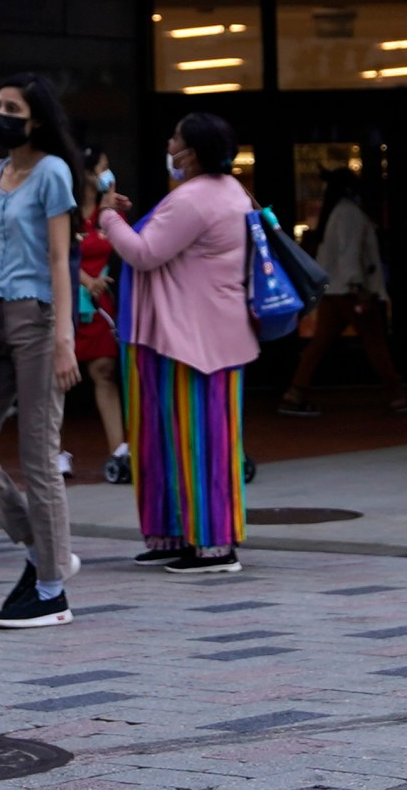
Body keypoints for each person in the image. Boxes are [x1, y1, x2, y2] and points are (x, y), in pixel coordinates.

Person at [0, 74, 85, 628]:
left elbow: (59, 258)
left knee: (38, 455)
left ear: (37, 120)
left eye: (12, 108)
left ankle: (51, 591)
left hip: (38, 320)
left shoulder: (52, 172)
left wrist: (64, 339)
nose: (0, 114)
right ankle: (44, 546)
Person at [100, 113, 258, 574]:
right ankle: (180, 535)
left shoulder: (192, 199)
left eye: (174, 138)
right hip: (205, 334)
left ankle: (211, 545)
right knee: (184, 438)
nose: (168, 144)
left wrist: (108, 216)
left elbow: (144, 253)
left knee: (192, 440)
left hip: (187, 338)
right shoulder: (232, 191)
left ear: (189, 153)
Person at [278, 169, 407, 417]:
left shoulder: (334, 213)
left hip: (334, 290)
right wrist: (360, 289)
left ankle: (294, 393)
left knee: (320, 343)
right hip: (350, 291)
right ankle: (397, 394)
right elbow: (350, 256)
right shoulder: (350, 213)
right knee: (374, 341)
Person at [74, 148, 129, 484]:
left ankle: (119, 450)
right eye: (103, 168)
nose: (109, 174)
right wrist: (84, 280)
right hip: (68, 299)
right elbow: (55, 251)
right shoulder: (64, 211)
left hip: (101, 304)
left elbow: (130, 245)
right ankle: (55, 452)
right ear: (87, 174)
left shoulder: (108, 212)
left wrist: (114, 211)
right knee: (56, 380)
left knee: (104, 370)